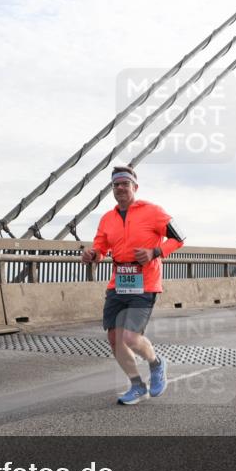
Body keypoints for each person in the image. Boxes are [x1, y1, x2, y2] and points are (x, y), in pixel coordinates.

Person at [81, 166, 184, 405]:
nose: (120, 188)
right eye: (116, 185)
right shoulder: (107, 218)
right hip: (118, 282)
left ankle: (157, 364)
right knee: (115, 338)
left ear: (134, 187)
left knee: (130, 336)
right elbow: (101, 250)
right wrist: (92, 256)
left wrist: (154, 251)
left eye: (124, 184)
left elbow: (179, 238)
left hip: (145, 282)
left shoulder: (153, 212)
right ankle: (137, 386)